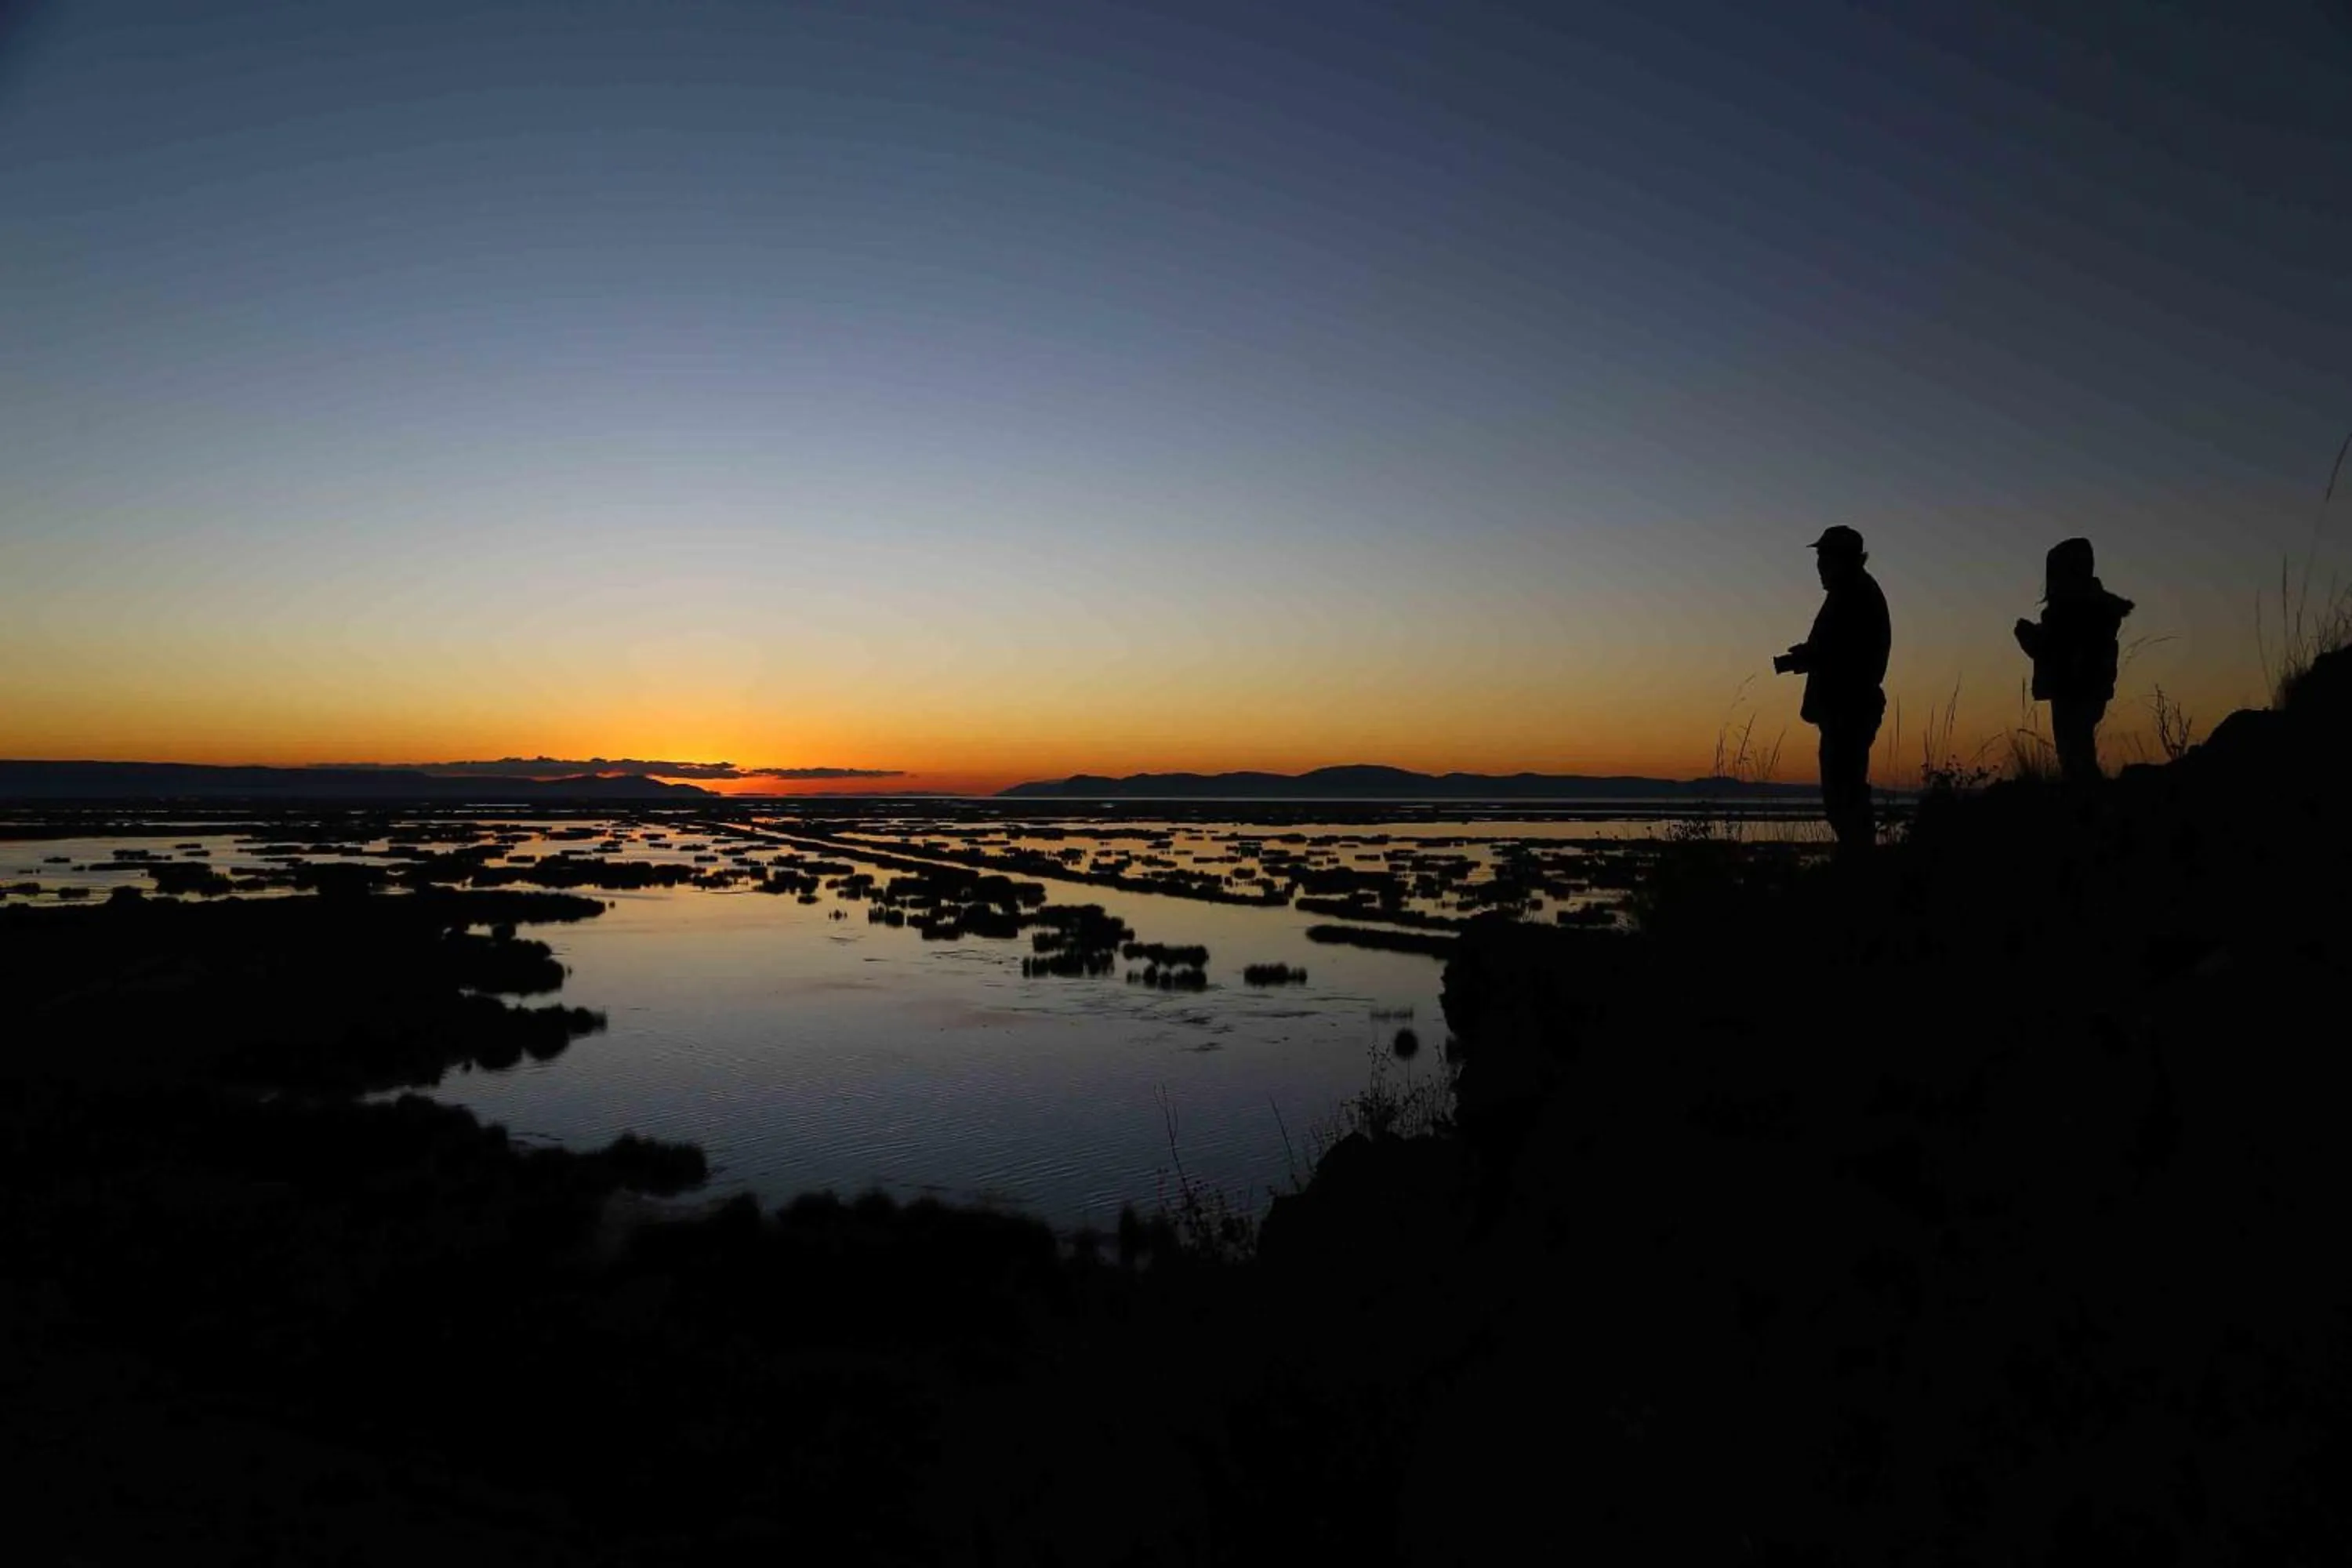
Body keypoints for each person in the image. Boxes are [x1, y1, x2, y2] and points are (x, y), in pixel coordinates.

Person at [1774, 525, 1891, 858]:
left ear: (1843, 559)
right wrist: (1808, 656)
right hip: (1846, 707)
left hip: (1849, 709)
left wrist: (1809, 656)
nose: (1819, 565)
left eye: (1824, 557)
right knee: (1844, 794)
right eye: (1819, 557)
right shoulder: (1852, 593)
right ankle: (1858, 863)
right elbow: (1840, 649)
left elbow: (1847, 653)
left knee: (1844, 795)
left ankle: (1859, 867)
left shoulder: (1854, 594)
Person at [2014, 537, 2134, 785]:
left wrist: (2026, 635)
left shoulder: (2071, 609)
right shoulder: (2095, 607)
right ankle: (2087, 801)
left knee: (2073, 753)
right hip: (2088, 687)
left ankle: (2085, 807)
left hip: (2071, 686)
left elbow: (2053, 648)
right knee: (2079, 749)